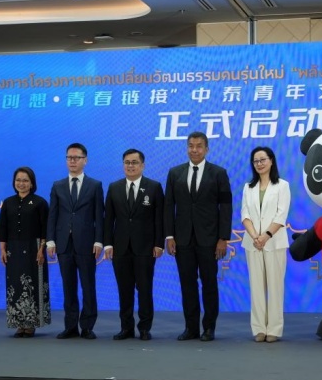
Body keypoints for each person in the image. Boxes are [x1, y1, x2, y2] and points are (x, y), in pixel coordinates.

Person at [164, 131, 232, 342]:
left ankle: (209, 328)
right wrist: (169, 236)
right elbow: (169, 206)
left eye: (199, 146)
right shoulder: (175, 173)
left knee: (209, 284)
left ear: (206, 149)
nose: (194, 150)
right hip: (182, 239)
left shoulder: (218, 173)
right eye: (191, 146)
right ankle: (190, 328)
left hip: (210, 239)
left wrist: (223, 238)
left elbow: (226, 207)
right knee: (187, 285)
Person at [103, 149, 165, 341]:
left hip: (145, 247)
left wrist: (159, 244)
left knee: (145, 289)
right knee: (124, 290)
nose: (130, 166)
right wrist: (108, 244)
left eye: (134, 162)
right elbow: (108, 219)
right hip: (120, 247)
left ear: (142, 165)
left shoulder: (154, 187)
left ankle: (145, 328)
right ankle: (126, 328)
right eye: (127, 162)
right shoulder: (114, 187)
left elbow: (159, 218)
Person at [46, 143, 104, 340]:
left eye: (76, 158)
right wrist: (50, 241)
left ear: (85, 160)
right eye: (69, 157)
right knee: (68, 287)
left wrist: (98, 241)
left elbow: (99, 216)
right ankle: (70, 326)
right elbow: (53, 215)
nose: (72, 161)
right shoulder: (58, 185)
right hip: (64, 244)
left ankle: (87, 326)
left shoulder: (95, 185)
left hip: (87, 244)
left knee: (88, 286)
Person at [240, 147, 291, 343]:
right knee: (256, 287)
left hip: (274, 242)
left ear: (271, 161)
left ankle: (274, 329)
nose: (259, 164)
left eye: (262, 160)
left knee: (275, 287)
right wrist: (255, 236)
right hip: (253, 243)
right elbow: (245, 214)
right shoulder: (248, 187)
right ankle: (259, 328)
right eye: (256, 161)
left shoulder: (282, 185)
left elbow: (281, 214)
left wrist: (266, 236)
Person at [0, 167, 50, 337]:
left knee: (31, 285)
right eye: (18, 180)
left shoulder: (40, 202)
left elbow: (45, 229)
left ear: (32, 183)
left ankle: (31, 324)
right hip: (13, 250)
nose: (21, 183)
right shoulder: (8, 202)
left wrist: (42, 249)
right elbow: (2, 228)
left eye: (25, 180)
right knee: (15, 286)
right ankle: (19, 324)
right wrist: (2, 249)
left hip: (34, 249)